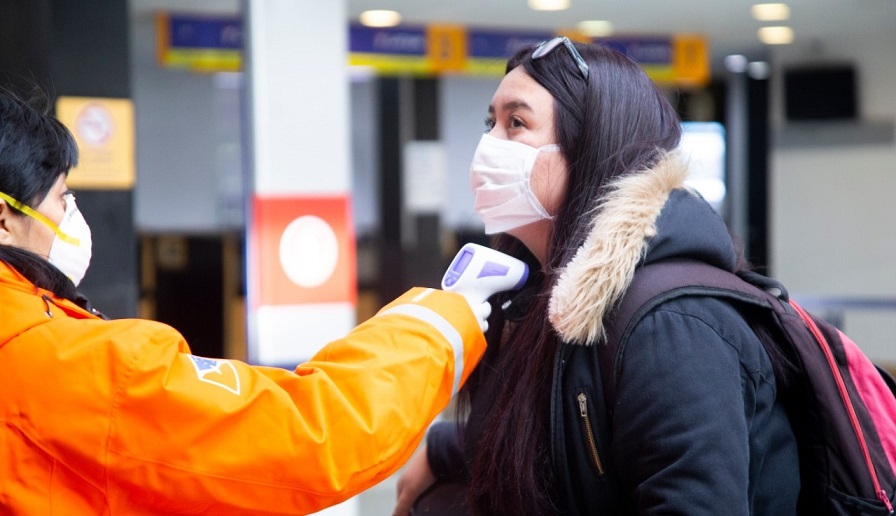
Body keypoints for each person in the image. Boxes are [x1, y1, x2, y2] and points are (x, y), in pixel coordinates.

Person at [0, 90, 491, 515]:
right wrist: (444, 321)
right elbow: (310, 437)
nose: (70, 216)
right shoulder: (59, 366)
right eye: (62, 197)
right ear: (5, 218)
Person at [394, 37, 801, 515]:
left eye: (516, 123)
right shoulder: (538, 293)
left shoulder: (673, 323)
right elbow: (550, 431)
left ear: (590, 145)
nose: (488, 145)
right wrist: (443, 451)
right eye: (492, 122)